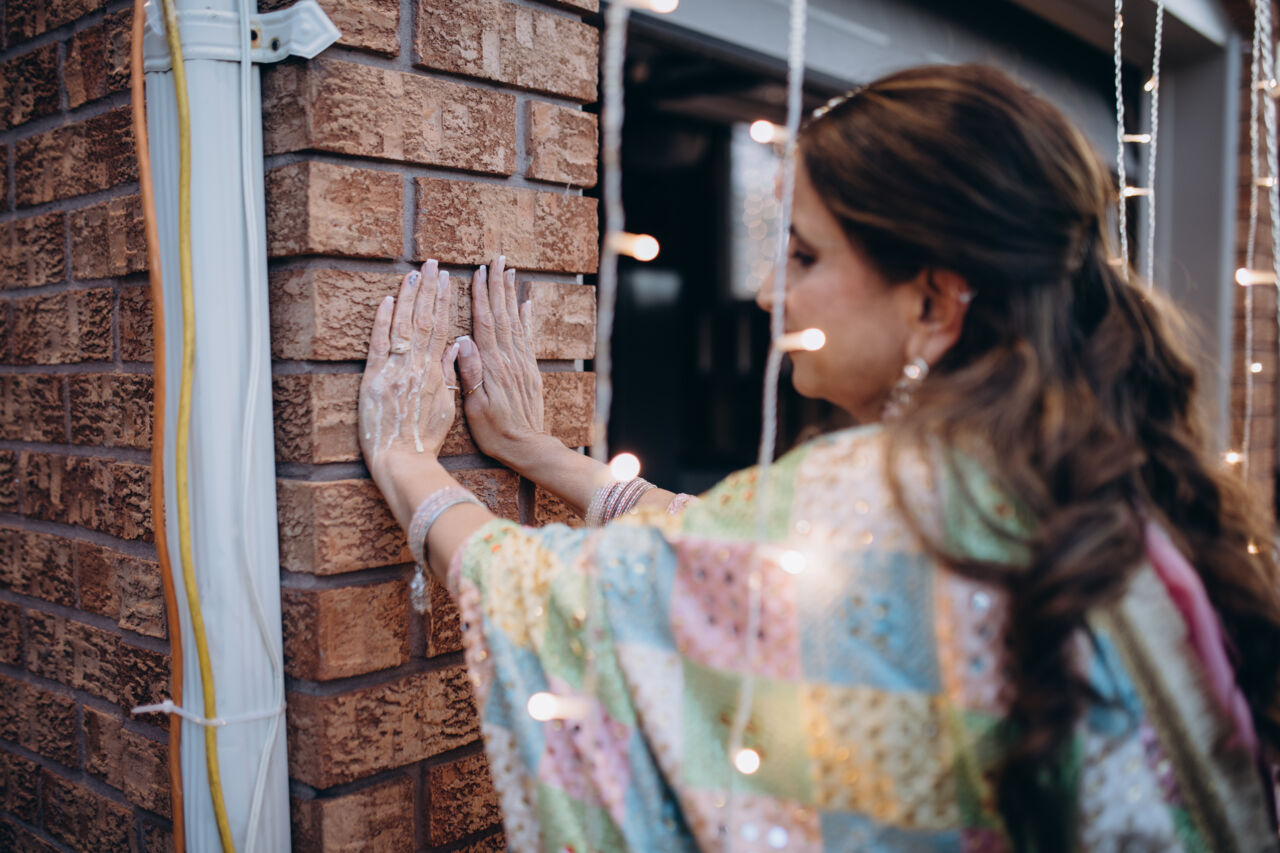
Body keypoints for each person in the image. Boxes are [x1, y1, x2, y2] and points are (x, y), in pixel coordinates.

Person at [359, 64, 1280, 851]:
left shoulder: (898, 494)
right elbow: (763, 555)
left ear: (933, 303)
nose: (770, 291)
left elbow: (563, 598)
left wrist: (407, 462)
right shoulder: (1062, 470)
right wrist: (541, 454)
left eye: (802, 256)